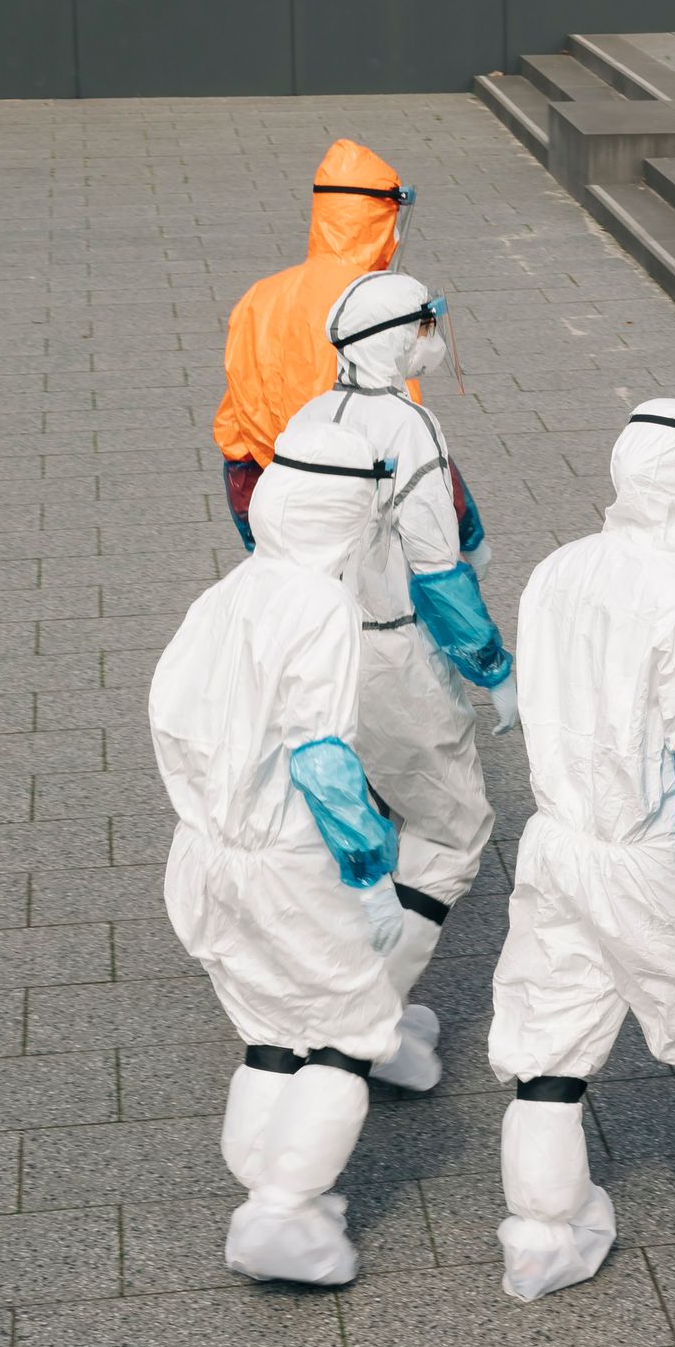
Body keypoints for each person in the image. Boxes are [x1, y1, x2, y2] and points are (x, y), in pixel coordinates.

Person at [149, 416, 443, 1290]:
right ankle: (282, 1209)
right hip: (286, 858)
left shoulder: (232, 589)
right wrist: (368, 871)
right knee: (351, 1031)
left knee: (271, 1026)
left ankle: (272, 1193)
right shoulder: (319, 602)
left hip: (205, 854)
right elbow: (321, 756)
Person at [488, 402, 675, 1302]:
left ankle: (541, 1234)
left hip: (558, 840)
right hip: (647, 855)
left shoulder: (558, 568)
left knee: (547, 1038)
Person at [293, 271, 516, 974]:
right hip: (389, 652)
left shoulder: (310, 417)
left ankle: (332, 973)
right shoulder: (407, 424)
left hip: (314, 646)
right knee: (452, 832)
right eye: (425, 326)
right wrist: (494, 668)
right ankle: (371, 1017)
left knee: (358, 814)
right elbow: (436, 569)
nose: (433, 340)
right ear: (395, 339)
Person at [213, 140, 488, 571]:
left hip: (271, 491)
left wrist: (254, 525)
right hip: (355, 503)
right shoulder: (376, 312)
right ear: (380, 218)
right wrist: (467, 530)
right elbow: (405, 430)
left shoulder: (258, 298)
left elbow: (236, 425)